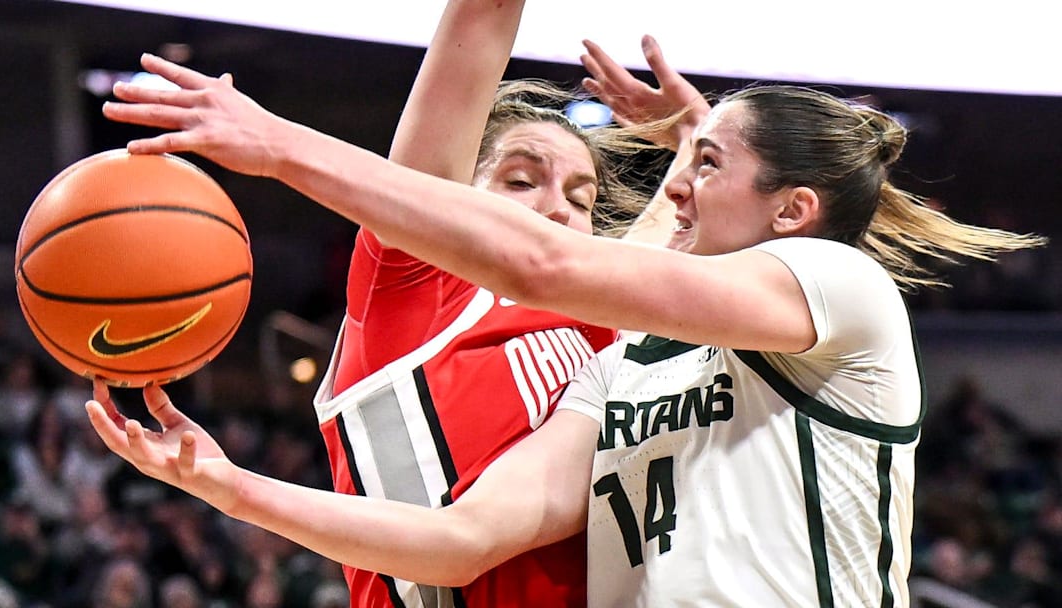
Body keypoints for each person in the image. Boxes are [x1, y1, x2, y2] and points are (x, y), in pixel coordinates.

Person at [89, 30, 1047, 608]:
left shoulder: (836, 284)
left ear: (790, 209)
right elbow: (469, 538)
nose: (676, 191)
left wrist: (279, 145)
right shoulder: (615, 361)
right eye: (518, 179)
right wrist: (227, 485)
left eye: (705, 169)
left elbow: (557, 260)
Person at [308, 1, 651, 607]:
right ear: (455, 198)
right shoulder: (416, 279)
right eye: (521, 181)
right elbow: (480, 19)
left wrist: (694, 132)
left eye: (583, 198)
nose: (556, 209)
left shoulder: (605, 328)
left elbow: (682, 220)